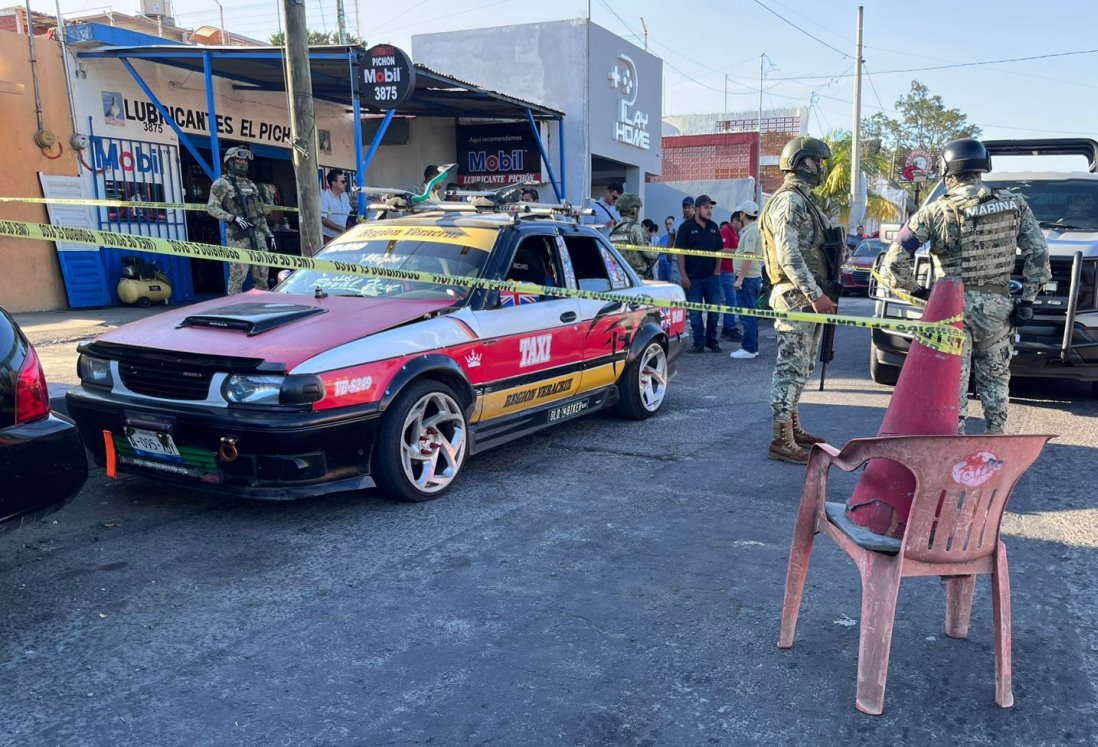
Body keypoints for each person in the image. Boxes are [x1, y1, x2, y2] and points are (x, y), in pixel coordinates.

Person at [881, 137, 1051, 435]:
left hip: (949, 310)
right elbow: (1038, 253)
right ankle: (996, 438)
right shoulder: (1014, 204)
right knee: (996, 377)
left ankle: (952, 441)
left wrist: (920, 294)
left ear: (948, 171)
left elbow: (895, 260)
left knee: (951, 382)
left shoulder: (934, 211)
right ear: (982, 168)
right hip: (998, 309)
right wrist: (1027, 300)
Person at [759, 136, 838, 463]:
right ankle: (781, 439)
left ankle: (792, 427)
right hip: (796, 297)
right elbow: (789, 256)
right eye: (818, 161)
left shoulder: (804, 201)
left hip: (805, 298)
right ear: (803, 162)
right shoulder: (789, 202)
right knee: (790, 370)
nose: (822, 168)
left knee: (802, 367)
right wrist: (815, 294)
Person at [206, 146, 274, 294]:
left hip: (258, 235)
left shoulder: (251, 185)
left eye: (245, 160)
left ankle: (263, 307)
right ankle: (234, 307)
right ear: (230, 162)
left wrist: (268, 233)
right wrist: (232, 218)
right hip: (238, 236)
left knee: (262, 276)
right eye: (239, 160)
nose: (243, 163)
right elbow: (211, 208)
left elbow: (259, 213)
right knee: (237, 277)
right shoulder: (221, 183)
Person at [676, 194, 724, 353]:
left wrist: (717, 271)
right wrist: (683, 276)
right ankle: (699, 343)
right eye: (706, 207)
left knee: (714, 311)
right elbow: (680, 253)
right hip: (693, 278)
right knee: (695, 313)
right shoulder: (685, 228)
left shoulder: (714, 227)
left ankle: (712, 341)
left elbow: (719, 251)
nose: (709, 211)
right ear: (697, 209)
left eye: (711, 208)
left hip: (711, 278)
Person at [730, 200, 763, 359]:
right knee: (750, 313)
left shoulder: (750, 231)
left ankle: (749, 348)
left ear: (743, 214)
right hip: (751, 278)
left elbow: (748, 257)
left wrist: (740, 279)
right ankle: (751, 346)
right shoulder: (752, 229)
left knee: (747, 314)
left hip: (748, 278)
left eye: (741, 213)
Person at [610, 193, 659, 278]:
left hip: (620, 275)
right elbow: (649, 253)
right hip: (637, 276)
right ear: (634, 210)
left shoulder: (614, 229)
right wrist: (659, 252)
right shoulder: (635, 228)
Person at [719, 212, 744, 342]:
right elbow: (722, 250)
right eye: (740, 222)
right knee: (730, 300)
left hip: (732, 271)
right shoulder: (726, 232)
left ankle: (728, 327)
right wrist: (739, 252)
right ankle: (729, 328)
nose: (742, 225)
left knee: (731, 300)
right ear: (735, 220)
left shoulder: (736, 233)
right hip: (725, 271)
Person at [320, 169, 351, 246]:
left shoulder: (345, 196)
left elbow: (349, 213)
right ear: (334, 183)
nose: (345, 184)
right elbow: (322, 219)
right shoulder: (324, 197)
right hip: (330, 239)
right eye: (342, 182)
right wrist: (341, 229)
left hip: (345, 237)